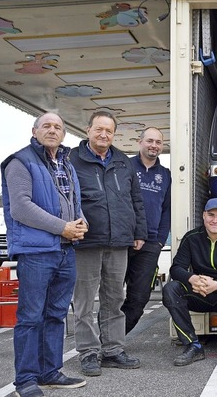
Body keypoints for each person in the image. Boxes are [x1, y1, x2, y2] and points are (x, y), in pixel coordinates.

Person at [1, 113, 88, 397]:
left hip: (65, 252)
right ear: (34, 131)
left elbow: (74, 201)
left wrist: (80, 222)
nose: (53, 130)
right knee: (30, 317)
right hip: (37, 253)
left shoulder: (66, 163)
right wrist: (63, 227)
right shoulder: (20, 162)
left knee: (56, 315)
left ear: (64, 134)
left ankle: (50, 372)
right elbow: (21, 208)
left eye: (58, 127)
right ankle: (25, 380)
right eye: (47, 126)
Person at [69, 111, 147, 377]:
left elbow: (136, 200)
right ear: (88, 129)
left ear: (115, 134)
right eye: (99, 129)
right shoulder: (71, 160)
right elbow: (64, 199)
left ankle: (113, 350)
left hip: (119, 241)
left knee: (114, 299)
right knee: (84, 302)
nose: (104, 135)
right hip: (86, 242)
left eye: (109, 131)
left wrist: (139, 232)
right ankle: (89, 353)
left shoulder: (124, 161)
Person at [162, 198, 217, 366]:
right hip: (198, 293)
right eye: (211, 215)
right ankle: (192, 345)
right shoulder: (191, 238)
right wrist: (193, 279)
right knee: (170, 289)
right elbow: (176, 268)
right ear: (203, 215)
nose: (215, 220)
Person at [121, 127, 171, 334]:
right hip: (122, 241)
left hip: (151, 244)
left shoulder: (165, 175)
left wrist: (160, 240)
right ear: (139, 142)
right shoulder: (124, 167)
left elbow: (167, 210)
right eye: (150, 141)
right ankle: (104, 343)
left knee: (139, 297)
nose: (154, 146)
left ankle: (114, 341)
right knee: (112, 296)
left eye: (158, 142)